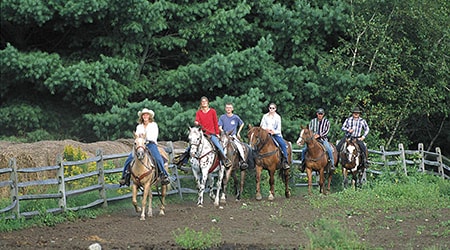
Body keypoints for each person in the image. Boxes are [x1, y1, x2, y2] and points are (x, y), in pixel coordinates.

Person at [119, 108, 171, 186]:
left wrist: (145, 137)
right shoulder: (139, 126)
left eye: (147, 115)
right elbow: (137, 136)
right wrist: (140, 138)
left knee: (157, 158)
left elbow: (154, 136)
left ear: (149, 116)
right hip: (140, 145)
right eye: (144, 115)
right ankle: (124, 177)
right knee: (129, 159)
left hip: (150, 144)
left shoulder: (153, 125)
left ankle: (164, 175)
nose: (145, 116)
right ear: (142, 117)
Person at [195, 96, 231, 167]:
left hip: (211, 134)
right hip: (202, 134)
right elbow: (197, 120)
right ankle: (183, 160)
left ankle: (225, 160)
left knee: (218, 145)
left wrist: (217, 133)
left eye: (205, 101)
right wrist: (196, 122)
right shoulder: (198, 112)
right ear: (201, 103)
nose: (204, 103)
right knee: (192, 145)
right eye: (203, 101)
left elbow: (215, 122)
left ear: (208, 103)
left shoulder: (212, 111)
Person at [260, 103, 290, 169]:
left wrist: (273, 132)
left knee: (283, 145)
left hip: (275, 134)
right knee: (257, 143)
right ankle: (255, 160)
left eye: (273, 108)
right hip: (265, 134)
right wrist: (266, 130)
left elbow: (279, 129)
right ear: (268, 108)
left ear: (275, 109)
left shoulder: (278, 117)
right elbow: (262, 125)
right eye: (270, 108)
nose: (271, 109)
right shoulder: (265, 116)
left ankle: (285, 161)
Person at [219, 103, 248, 169]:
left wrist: (238, 133)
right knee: (219, 146)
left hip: (233, 136)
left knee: (239, 146)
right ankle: (219, 161)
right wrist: (223, 132)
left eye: (230, 107)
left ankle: (242, 161)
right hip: (225, 136)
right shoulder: (222, 117)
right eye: (227, 107)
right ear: (225, 109)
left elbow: (242, 124)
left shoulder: (235, 117)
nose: (228, 109)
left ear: (232, 109)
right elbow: (219, 127)